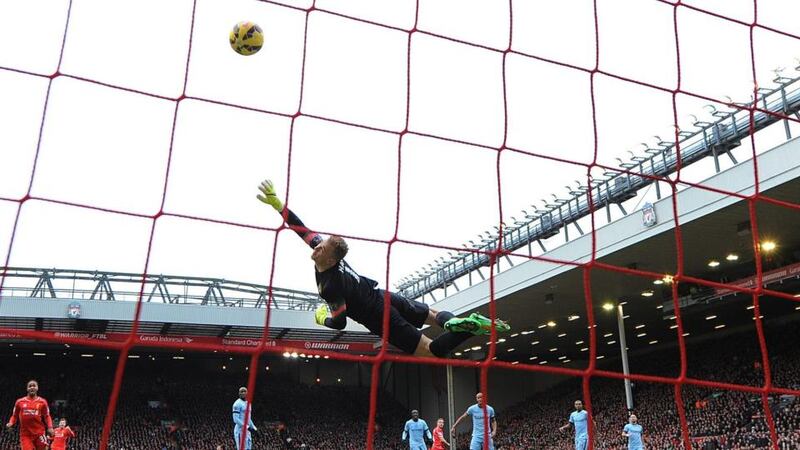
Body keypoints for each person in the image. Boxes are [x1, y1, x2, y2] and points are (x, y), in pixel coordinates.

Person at [256, 180, 510, 357]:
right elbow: (302, 229)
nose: (315, 246)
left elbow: (340, 322)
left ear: (332, 260)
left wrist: (322, 317)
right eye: (317, 244)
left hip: (381, 317)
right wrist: (279, 207)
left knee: (432, 352)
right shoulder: (329, 257)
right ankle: (456, 322)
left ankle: (472, 327)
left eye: (321, 247)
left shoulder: (330, 287)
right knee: (431, 315)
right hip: (384, 296)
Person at [5, 380, 54, 450]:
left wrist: (50, 427)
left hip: (39, 433)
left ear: (37, 388)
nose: (32, 387)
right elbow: (14, 416)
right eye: (30, 386)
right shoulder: (19, 402)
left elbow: (47, 416)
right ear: (27, 389)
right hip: (25, 434)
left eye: (34, 386)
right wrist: (11, 423)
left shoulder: (43, 402)